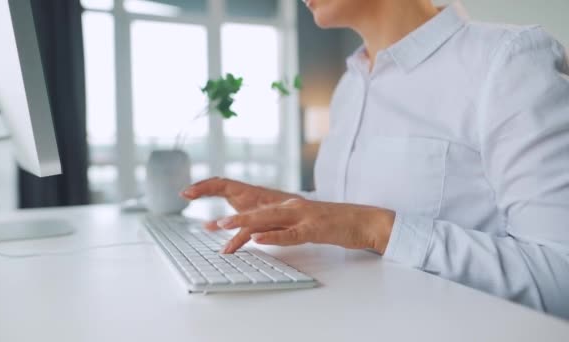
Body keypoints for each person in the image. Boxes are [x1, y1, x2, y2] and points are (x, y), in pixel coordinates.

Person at [181, 0, 569, 318]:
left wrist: (377, 228)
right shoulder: (349, 85)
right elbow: (347, 211)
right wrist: (284, 204)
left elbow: (560, 278)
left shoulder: (508, 61)